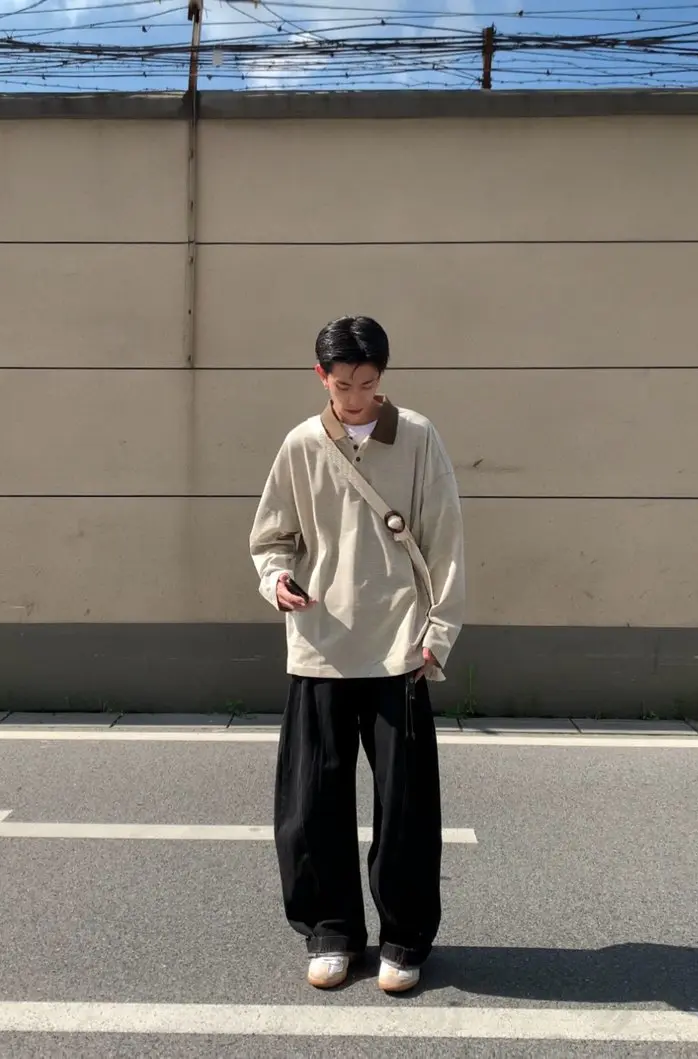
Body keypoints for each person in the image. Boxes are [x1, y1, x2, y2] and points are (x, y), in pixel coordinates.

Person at [249, 316, 465, 993]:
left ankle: (404, 937)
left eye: (367, 384)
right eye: (343, 385)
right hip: (320, 642)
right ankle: (330, 930)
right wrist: (275, 580)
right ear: (322, 376)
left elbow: (445, 540)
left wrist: (439, 631)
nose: (355, 397)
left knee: (405, 806)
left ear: (382, 377)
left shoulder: (419, 437)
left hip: (400, 645)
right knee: (313, 802)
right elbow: (272, 537)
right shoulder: (301, 444)